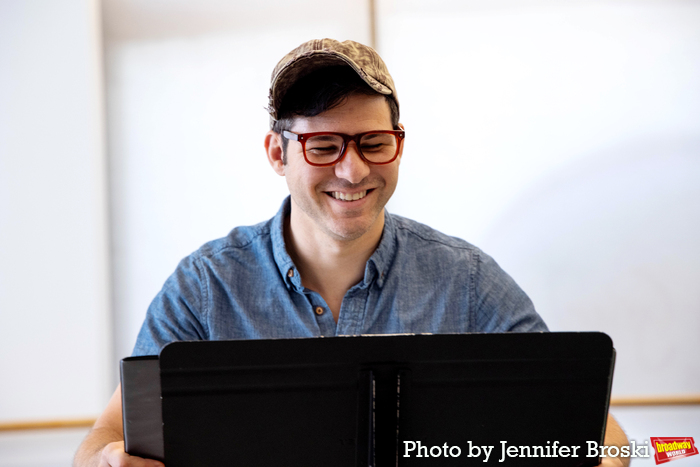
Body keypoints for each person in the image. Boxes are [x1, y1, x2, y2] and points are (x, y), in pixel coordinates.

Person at [74, 38, 629, 467]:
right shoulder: (206, 286)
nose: (353, 169)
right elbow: (108, 435)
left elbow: (602, 432)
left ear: (399, 144)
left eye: (373, 142)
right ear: (278, 152)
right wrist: (102, 458)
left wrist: (608, 458)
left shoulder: (467, 280)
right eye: (323, 146)